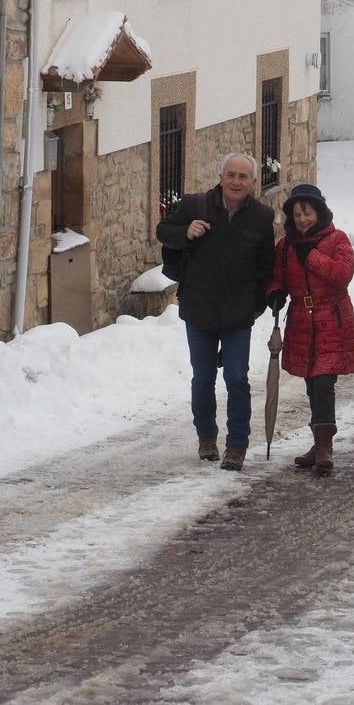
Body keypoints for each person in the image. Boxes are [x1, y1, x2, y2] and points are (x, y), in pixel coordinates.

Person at [156, 153, 274, 472]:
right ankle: (206, 436)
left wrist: (256, 307)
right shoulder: (195, 205)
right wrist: (185, 232)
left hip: (238, 315)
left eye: (243, 177)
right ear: (220, 178)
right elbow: (162, 231)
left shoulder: (262, 217)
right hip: (199, 309)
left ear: (253, 183)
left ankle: (237, 444)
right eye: (230, 175)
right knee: (203, 378)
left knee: (237, 377)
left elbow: (265, 268)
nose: (236, 182)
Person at [266, 184, 354, 476]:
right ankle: (319, 442)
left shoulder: (337, 239)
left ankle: (324, 446)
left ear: (319, 212)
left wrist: (312, 257)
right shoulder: (285, 246)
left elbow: (342, 275)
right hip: (301, 321)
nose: (302, 220)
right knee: (311, 384)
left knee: (323, 384)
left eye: (307, 213)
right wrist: (275, 292)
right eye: (297, 215)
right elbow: (277, 276)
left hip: (332, 319)